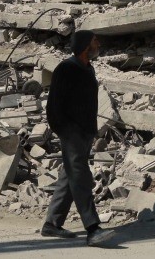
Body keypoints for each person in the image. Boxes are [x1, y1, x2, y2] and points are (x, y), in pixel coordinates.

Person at [41, 30, 115, 247]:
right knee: (81, 176)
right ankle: (92, 228)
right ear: (85, 45)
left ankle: (52, 224)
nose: (98, 44)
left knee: (69, 174)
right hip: (71, 132)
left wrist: (91, 130)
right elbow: (53, 106)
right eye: (95, 41)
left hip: (85, 132)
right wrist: (65, 130)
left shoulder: (88, 69)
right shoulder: (66, 68)